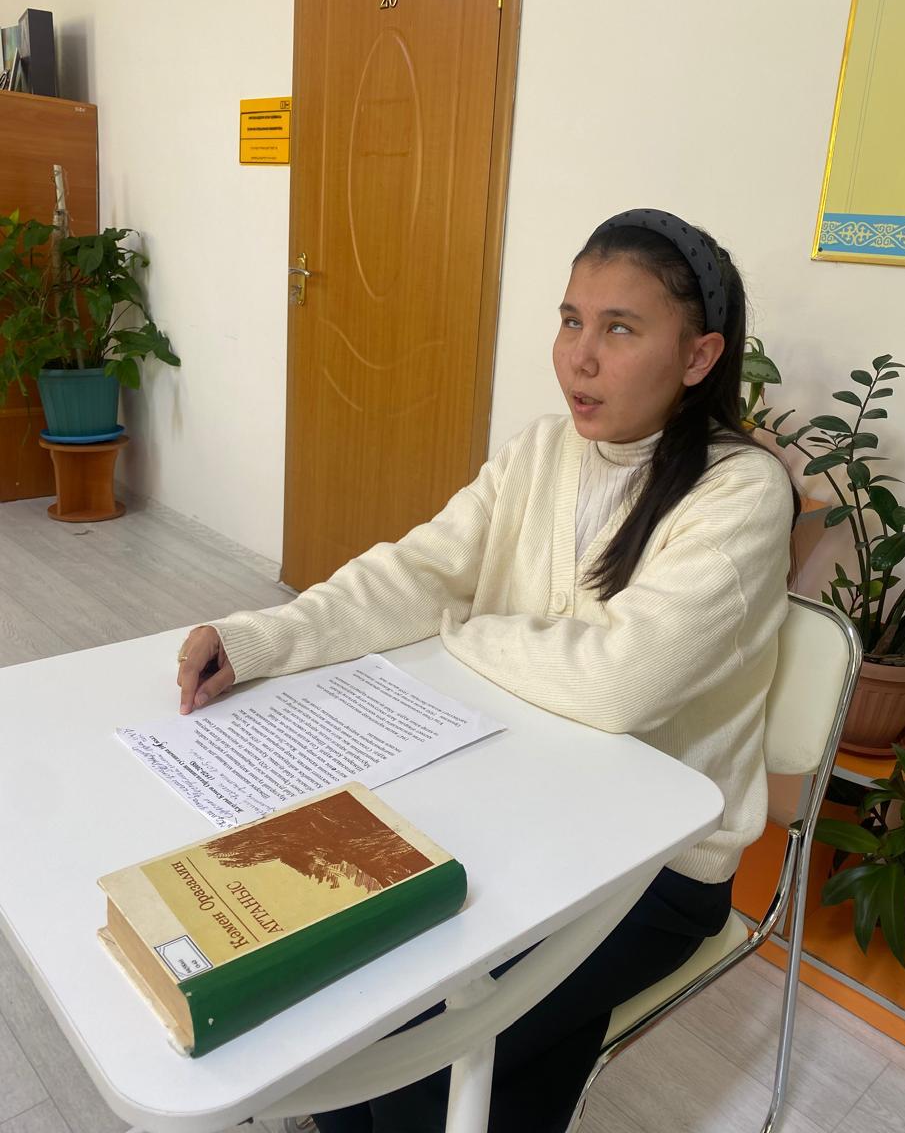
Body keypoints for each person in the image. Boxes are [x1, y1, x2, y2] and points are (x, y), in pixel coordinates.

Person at [177, 208, 798, 1133]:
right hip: (520, 800)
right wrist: (263, 639)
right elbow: (419, 570)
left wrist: (464, 629)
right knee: (348, 1007)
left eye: (620, 328)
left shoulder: (741, 491)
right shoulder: (543, 451)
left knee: (418, 1052)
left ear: (699, 356)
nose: (579, 356)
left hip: (653, 870)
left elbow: (617, 685)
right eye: (571, 319)